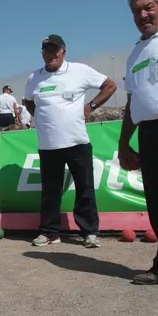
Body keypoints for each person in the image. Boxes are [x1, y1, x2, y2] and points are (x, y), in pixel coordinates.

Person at [24, 34, 117, 248]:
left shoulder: (80, 70)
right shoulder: (33, 78)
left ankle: (89, 232)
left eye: (55, 50)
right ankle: (49, 232)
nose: (51, 55)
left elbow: (110, 86)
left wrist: (90, 107)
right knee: (50, 191)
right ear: (42, 54)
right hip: (48, 146)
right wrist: (41, 117)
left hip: (77, 142)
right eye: (47, 51)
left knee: (85, 189)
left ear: (63, 51)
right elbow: (28, 101)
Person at [119, 0, 158, 285]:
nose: (143, 14)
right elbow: (132, 102)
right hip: (150, 134)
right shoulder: (135, 53)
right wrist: (123, 143)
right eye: (137, 11)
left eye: (149, 7)